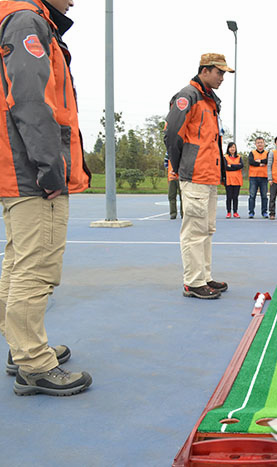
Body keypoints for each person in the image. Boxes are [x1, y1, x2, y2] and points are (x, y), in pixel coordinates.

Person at [0, 0, 92, 396]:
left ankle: (22, 348)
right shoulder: (27, 21)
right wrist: (49, 166)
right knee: (35, 269)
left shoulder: (18, 18)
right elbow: (31, 99)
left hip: (16, 169)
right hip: (32, 172)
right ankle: (34, 365)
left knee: (18, 263)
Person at [165, 53, 232, 299]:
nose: (222, 77)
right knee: (194, 231)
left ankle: (204, 277)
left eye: (224, 73)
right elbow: (172, 134)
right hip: (194, 174)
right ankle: (193, 282)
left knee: (206, 229)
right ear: (204, 71)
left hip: (209, 175)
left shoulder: (209, 100)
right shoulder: (188, 96)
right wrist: (181, 165)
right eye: (219, 72)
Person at [248, 137, 269, 218]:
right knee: (252, 195)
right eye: (258, 143)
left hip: (264, 177)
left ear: (264, 143)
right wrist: (260, 163)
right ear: (255, 144)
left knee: (264, 196)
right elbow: (251, 162)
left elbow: (268, 161)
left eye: (261, 142)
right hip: (253, 177)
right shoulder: (252, 153)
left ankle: (264, 212)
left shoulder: (267, 153)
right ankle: (251, 212)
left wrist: (259, 161)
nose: (260, 144)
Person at [224, 142, 243, 218]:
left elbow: (241, 166)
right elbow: (226, 167)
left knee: (235, 197)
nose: (232, 149)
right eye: (231, 147)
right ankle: (228, 212)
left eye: (234, 147)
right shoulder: (225, 157)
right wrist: (236, 166)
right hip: (228, 179)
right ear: (228, 148)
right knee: (229, 197)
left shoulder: (239, 157)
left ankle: (235, 212)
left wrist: (231, 165)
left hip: (237, 180)